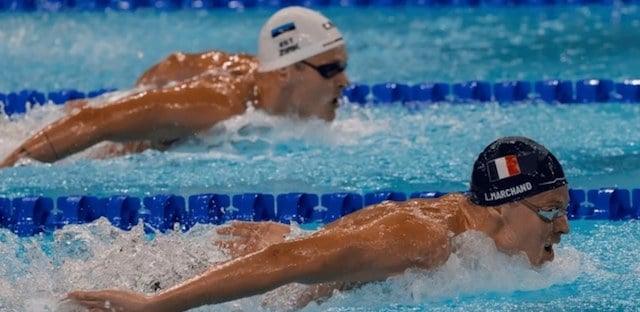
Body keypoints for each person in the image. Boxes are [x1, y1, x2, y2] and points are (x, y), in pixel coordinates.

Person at [65, 136, 571, 311]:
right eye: (551, 210)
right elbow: (290, 266)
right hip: (246, 296)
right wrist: (155, 306)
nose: (563, 228)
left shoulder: (470, 226)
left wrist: (297, 243)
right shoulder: (426, 240)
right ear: (503, 206)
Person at [0, 6, 349, 168]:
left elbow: (179, 63)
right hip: (98, 137)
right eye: (332, 70)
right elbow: (96, 121)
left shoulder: (262, 80)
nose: (345, 82)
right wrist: (10, 169)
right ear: (287, 72)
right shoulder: (217, 105)